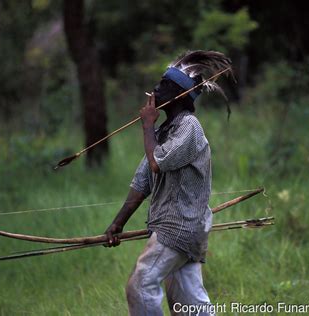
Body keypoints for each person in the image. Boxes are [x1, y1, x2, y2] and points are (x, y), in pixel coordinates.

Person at [104, 51, 232, 316]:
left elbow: (156, 163)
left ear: (180, 96)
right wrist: (118, 224)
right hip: (177, 228)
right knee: (190, 305)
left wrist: (147, 125)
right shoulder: (165, 131)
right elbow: (143, 180)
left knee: (140, 285)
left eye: (164, 85)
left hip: (179, 229)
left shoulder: (189, 127)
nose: (155, 89)